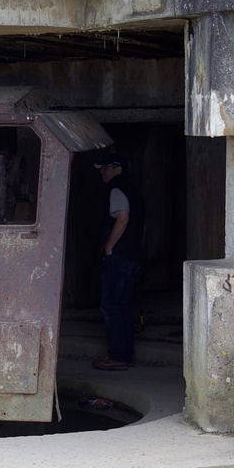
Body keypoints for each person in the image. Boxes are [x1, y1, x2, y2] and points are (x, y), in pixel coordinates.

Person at [92, 153, 143, 371]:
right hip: (131, 255)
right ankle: (123, 354)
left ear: (117, 168)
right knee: (123, 305)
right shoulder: (133, 189)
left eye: (105, 168)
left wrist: (110, 246)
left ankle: (119, 356)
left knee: (114, 306)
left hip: (120, 257)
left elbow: (122, 217)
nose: (102, 172)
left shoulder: (117, 188)